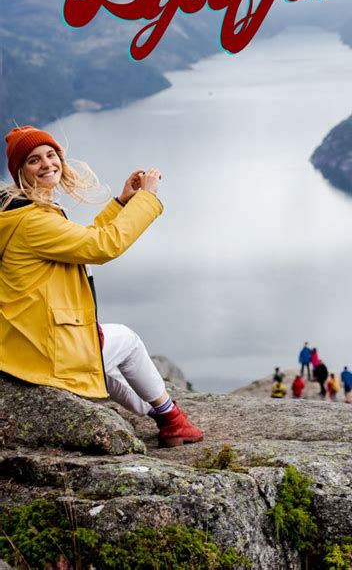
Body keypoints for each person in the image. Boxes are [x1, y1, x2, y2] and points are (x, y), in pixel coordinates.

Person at [0, 125, 203, 449]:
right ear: (20, 172)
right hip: (43, 349)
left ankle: (164, 418)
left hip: (25, 343)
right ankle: (171, 418)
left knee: (102, 362)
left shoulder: (23, 212)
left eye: (51, 155)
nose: (47, 164)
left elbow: (81, 242)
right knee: (127, 341)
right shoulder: (35, 221)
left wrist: (123, 202)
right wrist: (147, 198)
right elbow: (102, 246)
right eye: (34, 160)